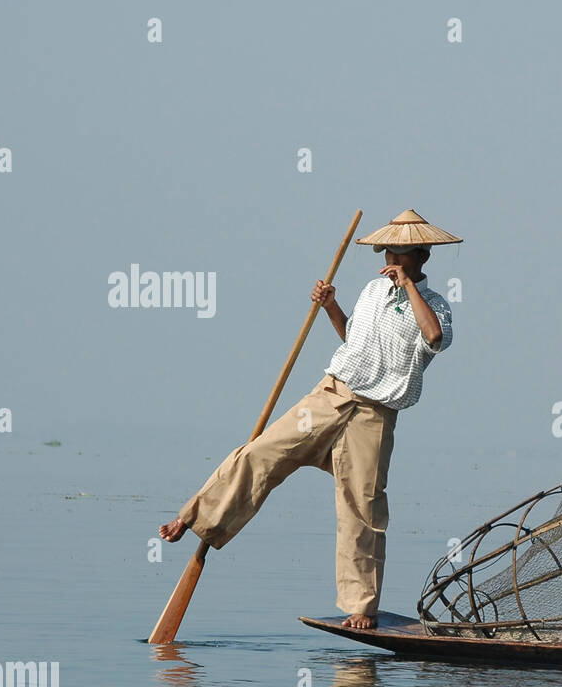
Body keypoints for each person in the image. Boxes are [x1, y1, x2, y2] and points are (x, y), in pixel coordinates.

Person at [159, 208, 462, 630]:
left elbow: (433, 338)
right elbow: (353, 340)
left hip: (374, 416)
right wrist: (331, 307)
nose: (392, 256)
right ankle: (194, 517)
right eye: (389, 249)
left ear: (422, 256)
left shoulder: (434, 305)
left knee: (362, 508)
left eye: (402, 251)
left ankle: (361, 607)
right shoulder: (372, 292)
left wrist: (408, 286)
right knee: (262, 452)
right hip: (332, 394)